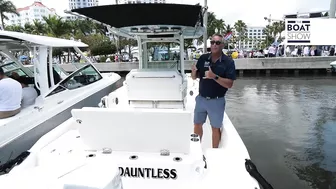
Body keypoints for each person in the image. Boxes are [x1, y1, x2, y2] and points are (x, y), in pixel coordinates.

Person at [191, 34, 236, 148]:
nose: (214, 45)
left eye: (217, 43)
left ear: (222, 45)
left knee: (215, 128)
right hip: (201, 99)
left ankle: (214, 152)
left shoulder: (228, 62)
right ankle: (197, 150)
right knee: (197, 124)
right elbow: (194, 76)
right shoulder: (203, 58)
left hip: (216, 101)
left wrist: (214, 77)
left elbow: (230, 84)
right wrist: (193, 73)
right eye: (212, 42)